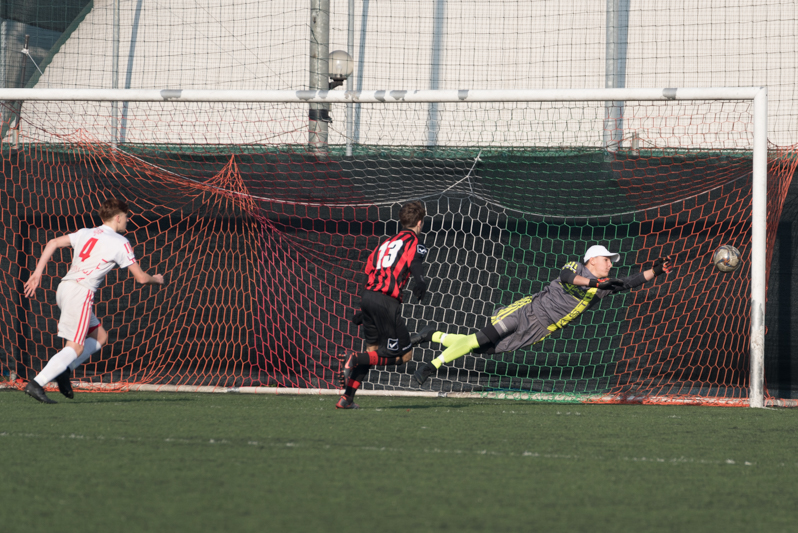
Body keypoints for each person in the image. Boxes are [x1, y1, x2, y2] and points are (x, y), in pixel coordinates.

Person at [411, 245, 673, 387]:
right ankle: (431, 366)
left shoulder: (604, 287)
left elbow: (629, 282)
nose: (610, 263)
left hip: (540, 329)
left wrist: (656, 271)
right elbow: (566, 277)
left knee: (482, 349)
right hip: (528, 310)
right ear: (592, 259)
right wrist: (595, 283)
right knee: (479, 339)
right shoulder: (577, 267)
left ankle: (432, 335)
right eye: (607, 259)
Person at [22, 198, 166, 403]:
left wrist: (37, 272)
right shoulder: (120, 242)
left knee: (100, 337)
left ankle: (64, 371)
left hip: (64, 288)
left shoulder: (86, 232)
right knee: (76, 347)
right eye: (126, 217)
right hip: (80, 293)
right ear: (118, 218)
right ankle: (37, 383)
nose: (127, 221)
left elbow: (53, 242)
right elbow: (142, 278)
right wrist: (157, 280)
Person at [336, 200, 434, 409]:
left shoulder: (385, 243)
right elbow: (415, 262)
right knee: (404, 355)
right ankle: (353, 358)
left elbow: (368, 273)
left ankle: (347, 399)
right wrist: (421, 282)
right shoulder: (414, 241)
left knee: (372, 351)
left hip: (368, 296)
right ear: (419, 222)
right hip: (386, 302)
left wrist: (363, 308)